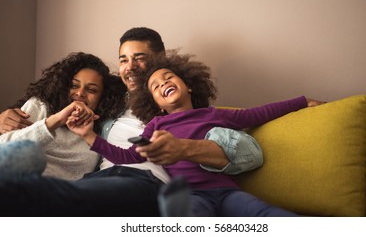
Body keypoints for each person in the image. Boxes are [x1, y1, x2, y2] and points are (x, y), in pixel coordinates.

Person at [0, 27, 262, 216]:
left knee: (63, 197)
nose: (129, 66)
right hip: (102, 179)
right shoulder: (108, 101)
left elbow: (250, 153)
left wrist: (184, 148)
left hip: (144, 181)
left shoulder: (179, 106)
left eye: (140, 58)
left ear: (160, 62)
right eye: (124, 59)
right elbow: (65, 108)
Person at [68, 51, 325, 216]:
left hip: (227, 192)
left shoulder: (214, 114)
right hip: (190, 196)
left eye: (168, 78)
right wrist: (88, 135)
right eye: (156, 87)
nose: (164, 84)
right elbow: (127, 156)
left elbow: (260, 113)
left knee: (266, 214)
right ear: (156, 103)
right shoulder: (156, 125)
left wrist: (303, 101)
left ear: (188, 86)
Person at [0, 52, 127, 180]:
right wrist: (57, 120)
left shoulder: (98, 130)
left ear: (102, 97)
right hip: (15, 182)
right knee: (32, 154)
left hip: (59, 195)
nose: (80, 93)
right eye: (74, 86)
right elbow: (4, 148)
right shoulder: (40, 106)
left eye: (91, 90)